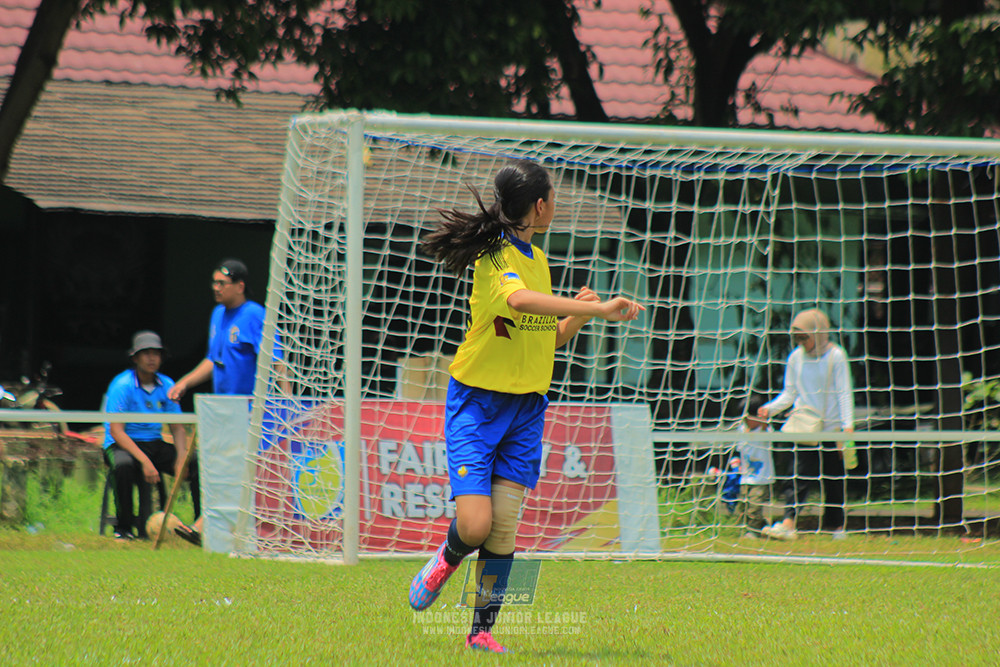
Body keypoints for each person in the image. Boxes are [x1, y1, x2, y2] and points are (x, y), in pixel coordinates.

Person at [407, 160, 643, 653]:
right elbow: (518, 303)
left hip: (527, 408)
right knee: (476, 526)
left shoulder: (538, 258)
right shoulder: (494, 254)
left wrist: (580, 318)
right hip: (478, 403)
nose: (556, 205)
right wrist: (596, 307)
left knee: (504, 528)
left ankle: (481, 631)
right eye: (553, 198)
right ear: (539, 206)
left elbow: (544, 337)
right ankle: (446, 559)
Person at [167, 258, 286, 541]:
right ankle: (209, 528)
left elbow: (276, 360)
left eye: (222, 283)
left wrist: (287, 398)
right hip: (221, 409)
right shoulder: (218, 315)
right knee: (220, 470)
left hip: (248, 411)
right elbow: (213, 359)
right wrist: (185, 382)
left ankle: (206, 527)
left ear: (240, 286)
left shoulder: (254, 314)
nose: (216, 288)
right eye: (214, 282)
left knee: (241, 472)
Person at [759, 309, 854, 541]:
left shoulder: (836, 356)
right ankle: (788, 523)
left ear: (818, 333)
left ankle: (836, 527)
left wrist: (847, 428)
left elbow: (844, 393)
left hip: (832, 430)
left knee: (834, 480)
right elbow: (790, 393)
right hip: (805, 427)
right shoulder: (795, 357)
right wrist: (769, 409)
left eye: (805, 337)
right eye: (797, 338)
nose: (801, 342)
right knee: (797, 477)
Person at [103, 331, 200, 541]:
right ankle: (124, 528)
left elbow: (177, 427)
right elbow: (116, 431)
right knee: (123, 466)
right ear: (135, 358)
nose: (151, 358)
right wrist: (145, 462)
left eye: (156, 353)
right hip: (122, 444)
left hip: (154, 442)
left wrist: (181, 458)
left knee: (196, 462)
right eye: (146, 353)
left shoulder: (167, 384)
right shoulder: (122, 385)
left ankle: (198, 527)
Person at [732, 394, 774, 537]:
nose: (746, 421)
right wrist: (735, 462)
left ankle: (754, 532)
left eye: (748, 417)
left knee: (754, 507)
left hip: (761, 478)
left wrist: (764, 420)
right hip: (745, 477)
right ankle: (763, 527)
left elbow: (766, 430)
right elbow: (738, 450)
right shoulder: (741, 430)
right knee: (742, 507)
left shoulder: (764, 430)